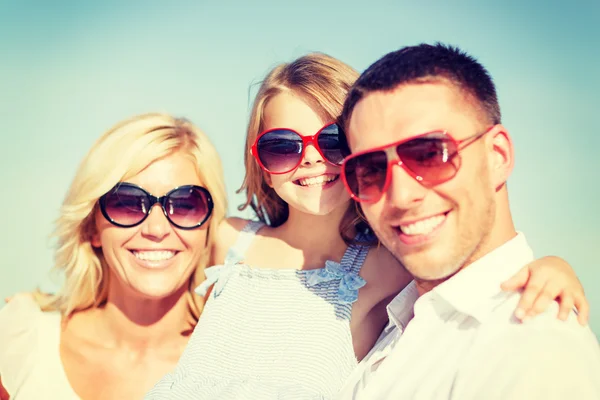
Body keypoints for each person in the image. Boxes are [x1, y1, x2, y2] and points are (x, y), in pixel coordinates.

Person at [146, 53, 588, 400]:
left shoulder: (388, 265)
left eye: (335, 142)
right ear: (259, 161)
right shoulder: (226, 240)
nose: (313, 160)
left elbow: (469, 262)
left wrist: (550, 265)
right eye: (283, 147)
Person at [336, 43, 600, 399]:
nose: (400, 196)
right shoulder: (403, 318)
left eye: (429, 155)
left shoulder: (532, 348)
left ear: (497, 156)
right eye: (370, 170)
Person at [0, 113, 227, 399]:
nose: (156, 229)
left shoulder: (245, 365)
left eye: (185, 204)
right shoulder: (20, 342)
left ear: (208, 227)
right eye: (127, 203)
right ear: (91, 227)